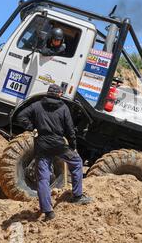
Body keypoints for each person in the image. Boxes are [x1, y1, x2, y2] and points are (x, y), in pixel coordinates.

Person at [16, 84, 92, 221]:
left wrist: (32, 128)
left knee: (43, 179)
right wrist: (73, 145)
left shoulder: (37, 105)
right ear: (59, 94)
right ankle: (77, 196)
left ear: (47, 93)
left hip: (42, 145)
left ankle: (48, 212)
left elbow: (20, 116)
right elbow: (70, 130)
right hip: (58, 144)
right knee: (76, 162)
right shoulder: (63, 107)